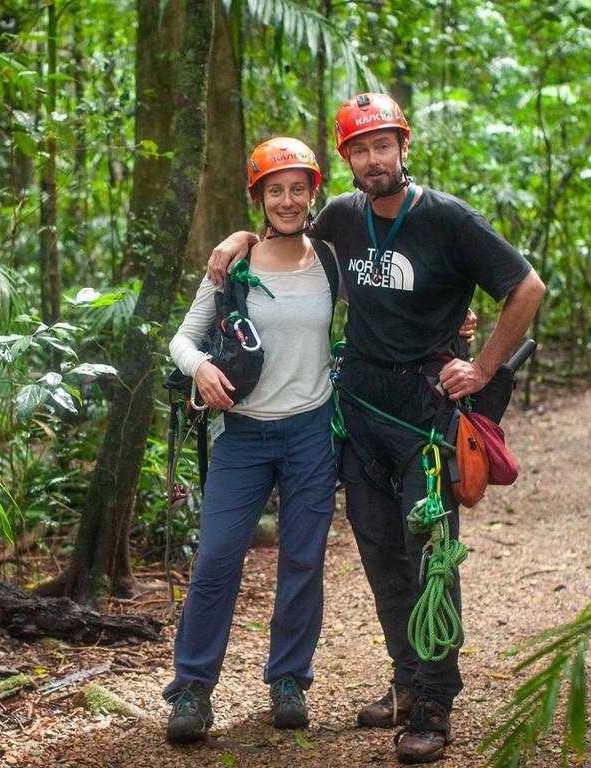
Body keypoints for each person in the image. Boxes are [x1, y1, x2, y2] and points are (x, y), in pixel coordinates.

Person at [206, 93, 545, 764]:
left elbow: (526, 287)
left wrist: (480, 367)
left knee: (431, 560)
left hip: (425, 416)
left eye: (382, 145)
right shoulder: (341, 215)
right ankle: (406, 684)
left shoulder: (448, 220)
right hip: (359, 412)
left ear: (403, 147)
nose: (372, 158)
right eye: (359, 149)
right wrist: (240, 238)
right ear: (347, 160)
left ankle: (437, 706)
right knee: (381, 557)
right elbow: (286, 239)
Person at [163, 137, 338, 744]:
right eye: (275, 190)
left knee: (302, 559)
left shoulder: (333, 260)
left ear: (314, 192)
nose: (287, 200)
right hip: (243, 434)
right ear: (259, 198)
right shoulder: (230, 266)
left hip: (312, 430)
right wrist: (200, 369)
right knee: (215, 561)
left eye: (298, 188)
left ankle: (289, 678)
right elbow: (182, 340)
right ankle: (192, 688)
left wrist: (461, 323)